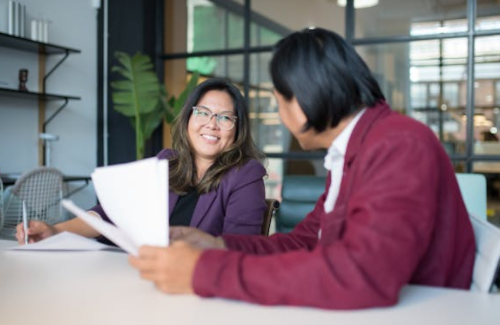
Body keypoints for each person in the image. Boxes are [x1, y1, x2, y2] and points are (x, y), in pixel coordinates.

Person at [129, 28, 476, 310]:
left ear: (304, 101)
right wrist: (217, 245)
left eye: (280, 102)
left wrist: (203, 271)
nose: (281, 116)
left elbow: (362, 276)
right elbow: (305, 241)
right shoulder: (355, 149)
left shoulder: (398, 144)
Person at [17, 78, 268, 243]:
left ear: (237, 129)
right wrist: (56, 232)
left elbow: (240, 247)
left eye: (225, 118)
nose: (211, 124)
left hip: (195, 286)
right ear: (188, 119)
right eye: (203, 113)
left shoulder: (246, 175)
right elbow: (109, 214)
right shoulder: (166, 162)